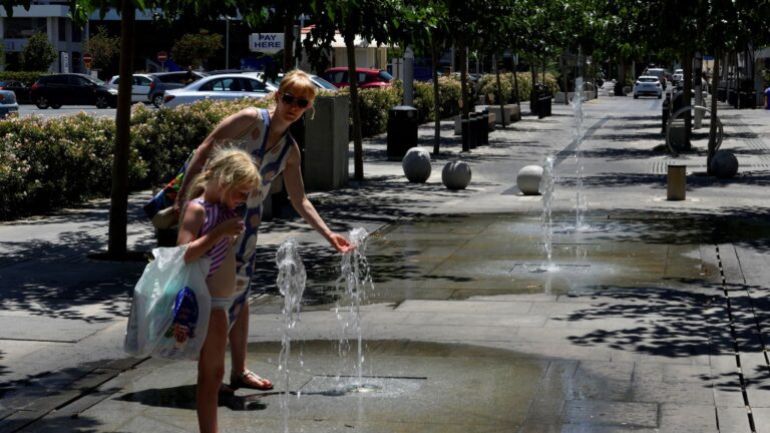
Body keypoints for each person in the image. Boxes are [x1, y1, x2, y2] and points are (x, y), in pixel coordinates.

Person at [174, 69, 353, 395]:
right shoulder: (249, 119)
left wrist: (329, 236)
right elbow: (205, 148)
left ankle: (237, 371)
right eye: (289, 98)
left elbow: (300, 200)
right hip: (213, 218)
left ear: (308, 107)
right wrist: (183, 198)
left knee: (239, 298)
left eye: (302, 102)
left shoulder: (290, 151)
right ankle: (208, 371)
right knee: (206, 292)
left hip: (246, 230)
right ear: (277, 96)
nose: (293, 106)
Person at [176, 148, 261, 433]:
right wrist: (219, 233)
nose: (242, 201)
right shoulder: (197, 209)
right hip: (206, 304)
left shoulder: (225, 211)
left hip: (220, 303)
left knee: (215, 374)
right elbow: (183, 254)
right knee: (210, 374)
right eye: (240, 193)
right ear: (224, 181)